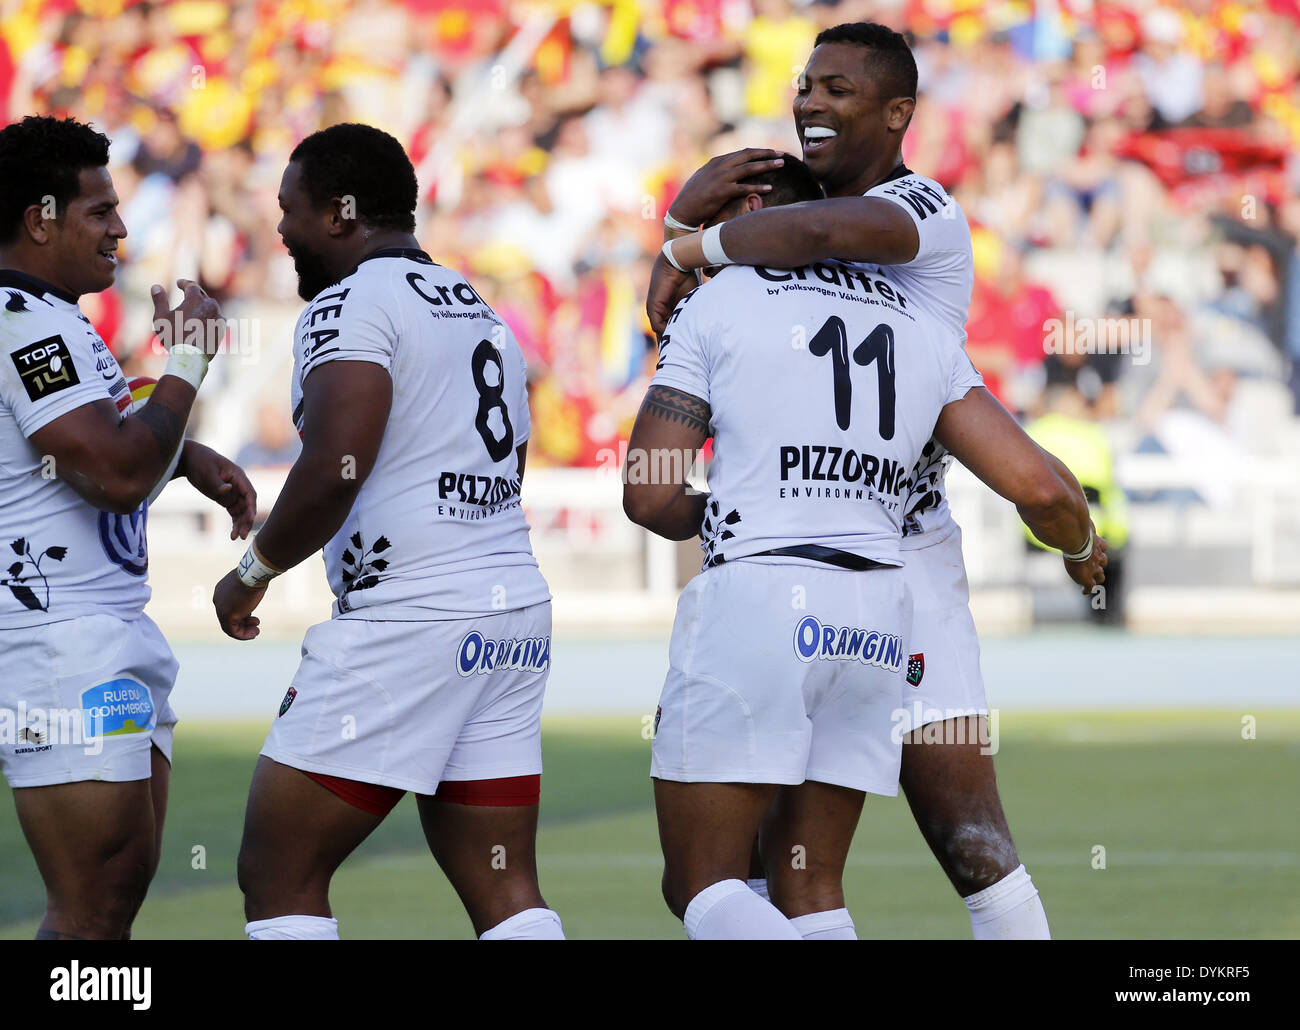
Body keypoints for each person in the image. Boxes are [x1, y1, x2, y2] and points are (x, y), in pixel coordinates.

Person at [649, 22, 1099, 939]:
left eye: (837, 89)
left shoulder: (920, 208)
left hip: (899, 563)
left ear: (899, 114)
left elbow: (656, 463)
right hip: (867, 578)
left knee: (963, 836)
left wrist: (680, 246)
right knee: (801, 870)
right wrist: (683, 232)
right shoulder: (788, 266)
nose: (810, 101)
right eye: (804, 85)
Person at [211, 123, 562, 941]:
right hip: (508, 615)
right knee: (507, 891)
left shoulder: (351, 303)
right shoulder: (479, 307)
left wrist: (251, 572)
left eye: (290, 210)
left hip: (410, 616)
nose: (281, 230)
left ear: (340, 213)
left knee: (279, 873)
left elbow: (336, 465)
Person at [0, 114, 252, 939]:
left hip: (101, 629)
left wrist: (183, 449)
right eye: (99, 211)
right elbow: (112, 474)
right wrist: (187, 360)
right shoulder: (21, 322)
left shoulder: (50, 318)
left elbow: (107, 441)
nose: (121, 228)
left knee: (110, 905)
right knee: (89, 907)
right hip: (57, 639)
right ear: (40, 219)